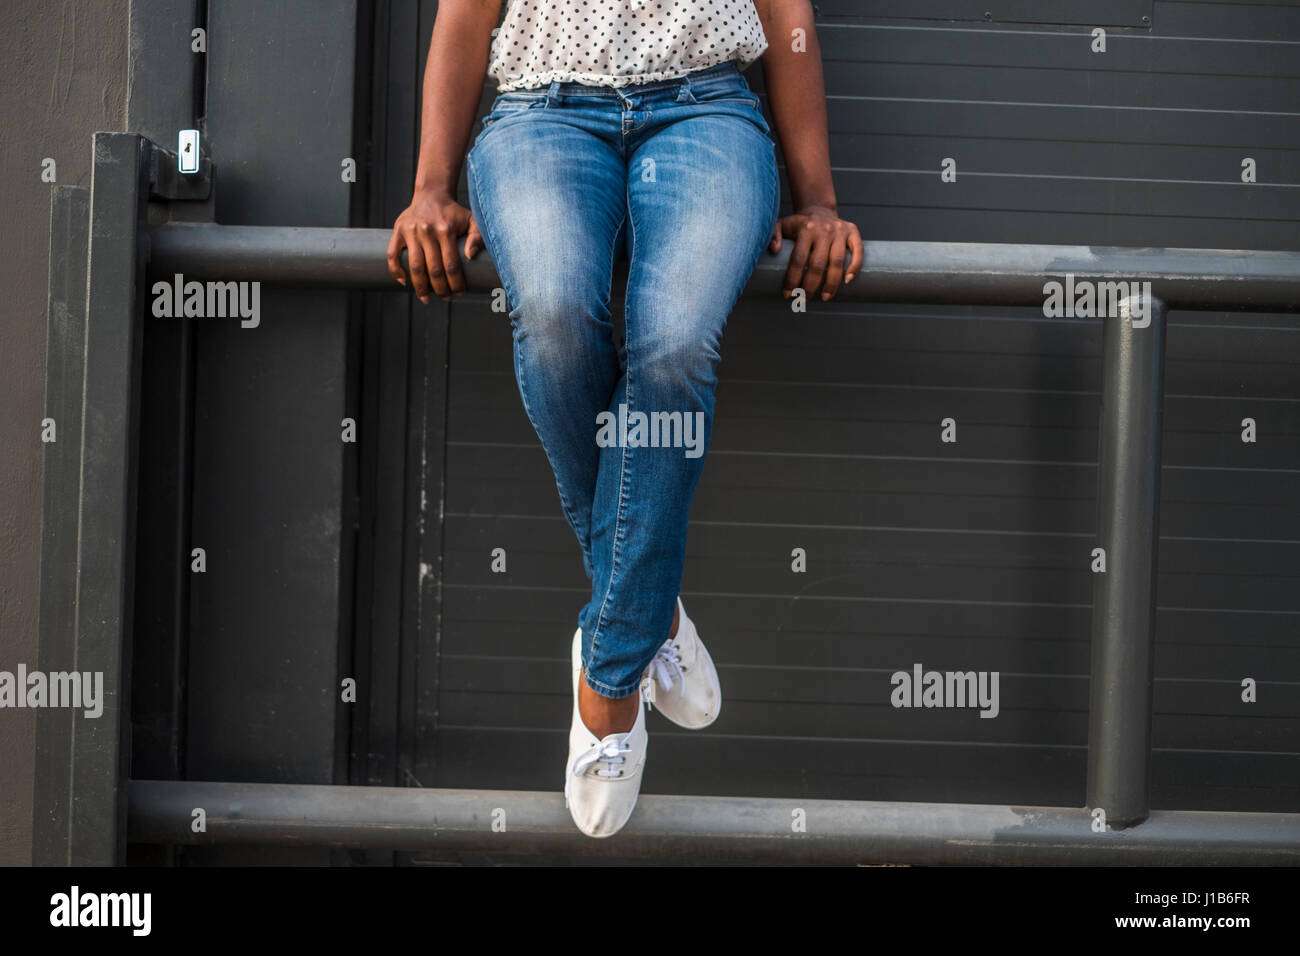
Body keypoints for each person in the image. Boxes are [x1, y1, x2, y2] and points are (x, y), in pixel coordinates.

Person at [387, 0, 862, 838]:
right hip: (541, 114)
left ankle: (609, 682)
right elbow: (464, 18)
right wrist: (432, 187)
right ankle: (647, 609)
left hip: (709, 112)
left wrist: (818, 199)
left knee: (674, 345)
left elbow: (789, 21)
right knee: (558, 315)